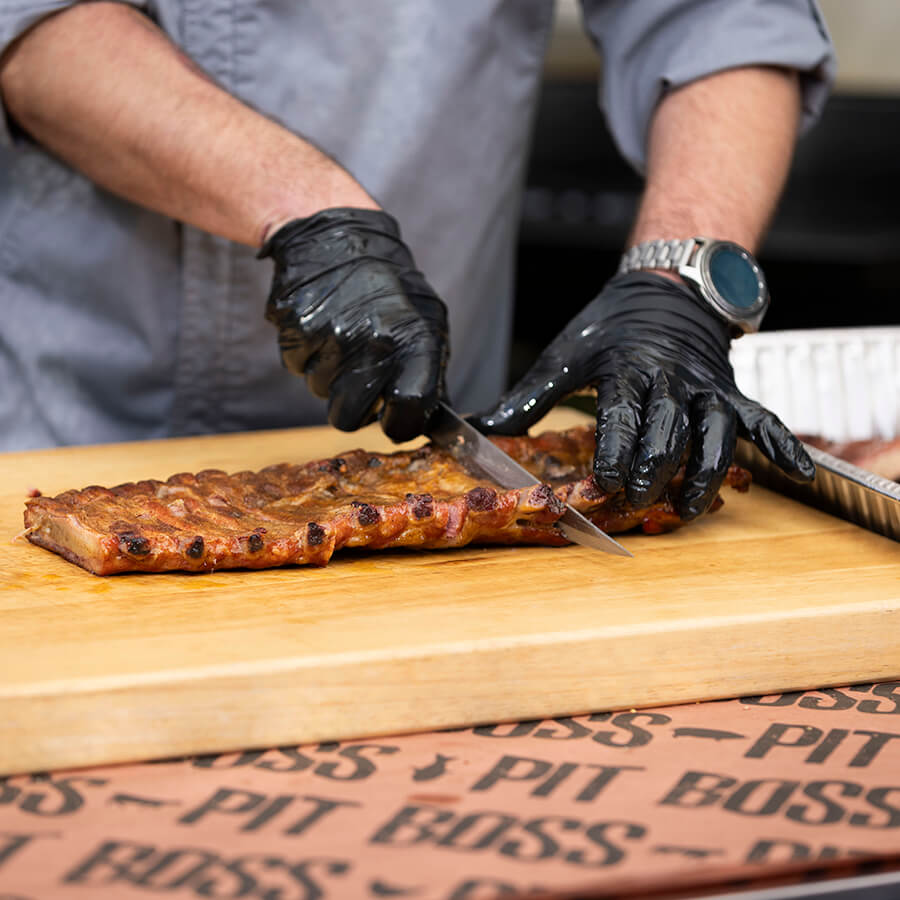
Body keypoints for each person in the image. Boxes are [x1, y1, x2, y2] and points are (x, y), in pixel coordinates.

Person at [0, 1, 834, 519]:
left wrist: (680, 277)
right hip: (74, 419)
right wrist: (301, 204)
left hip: (432, 453)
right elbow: (35, 20)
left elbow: (721, 16)